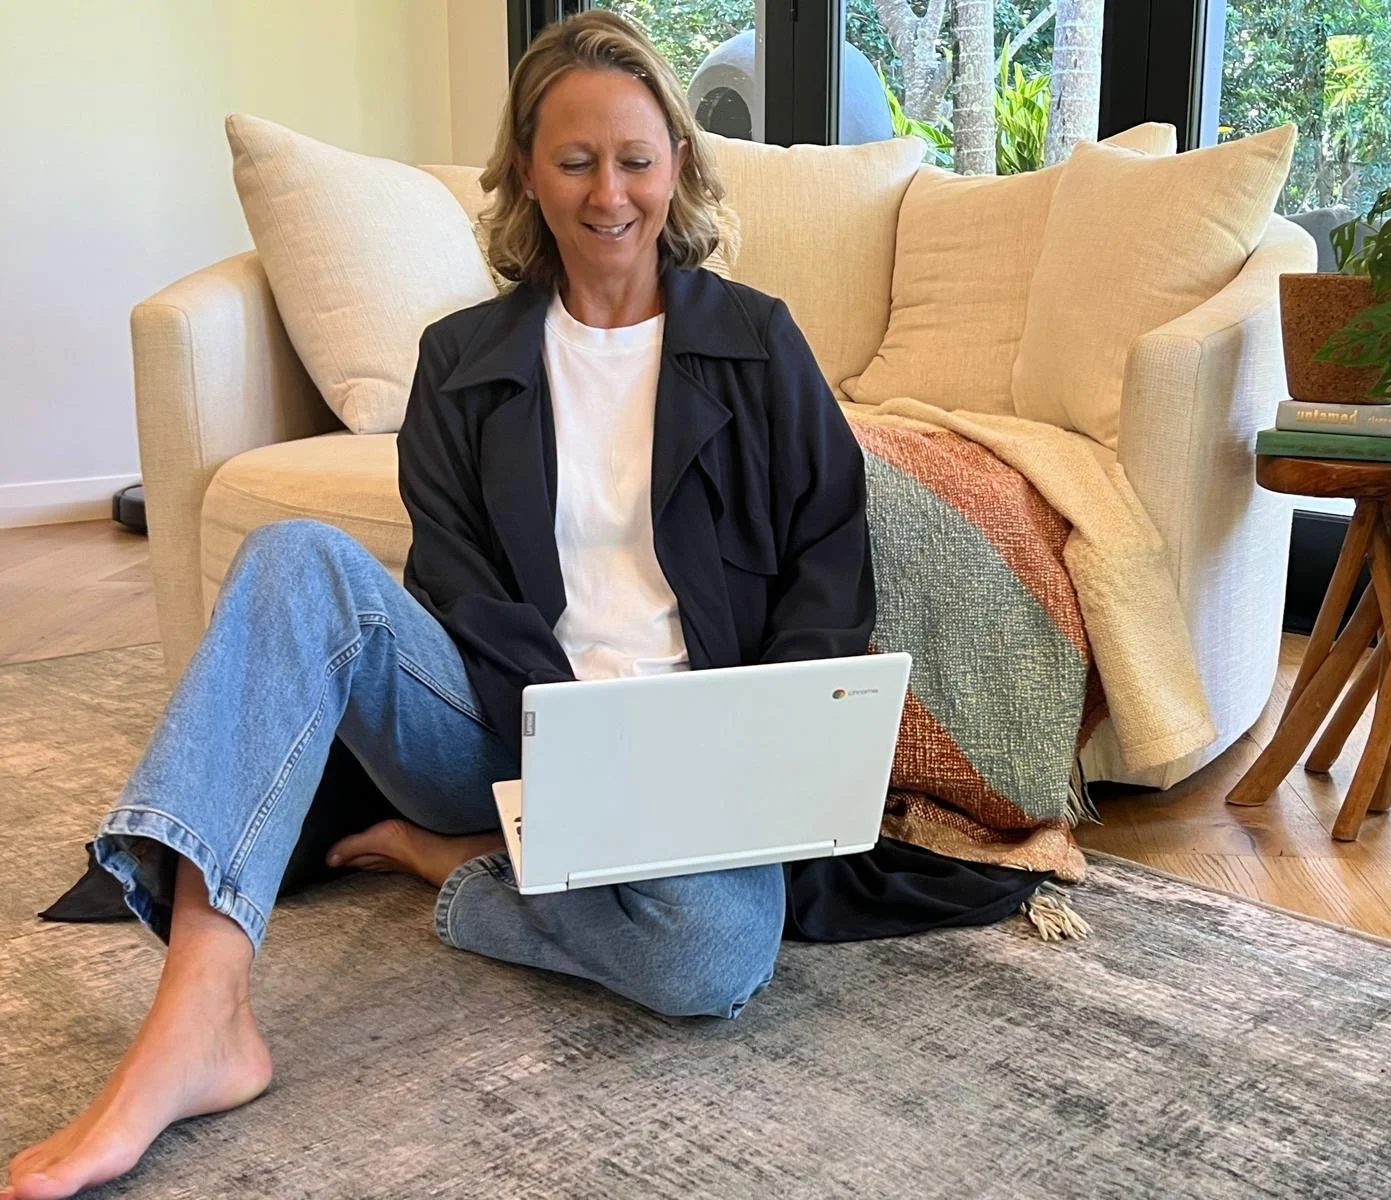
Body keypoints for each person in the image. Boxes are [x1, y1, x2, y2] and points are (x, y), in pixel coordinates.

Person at [3, 13, 875, 1198]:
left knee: (713, 955)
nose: (607, 193)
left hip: (691, 749)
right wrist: (564, 759)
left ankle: (457, 867)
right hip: (506, 729)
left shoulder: (758, 342)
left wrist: (760, 743)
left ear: (678, 159)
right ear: (526, 168)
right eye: (574, 161)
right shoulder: (461, 359)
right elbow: (458, 592)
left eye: (634, 158)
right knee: (297, 557)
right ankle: (200, 1015)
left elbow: (828, 556)